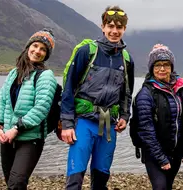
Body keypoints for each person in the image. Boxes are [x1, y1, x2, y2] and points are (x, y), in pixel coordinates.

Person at [60, 5, 134, 190]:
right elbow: (68, 88)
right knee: (75, 177)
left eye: (119, 27)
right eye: (110, 26)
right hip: (83, 121)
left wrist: (125, 116)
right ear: (103, 27)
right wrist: (67, 124)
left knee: (101, 177)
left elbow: (126, 92)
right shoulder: (87, 52)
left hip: (108, 122)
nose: (114, 31)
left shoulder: (126, 59)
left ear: (124, 29)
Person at [0, 29, 57, 189]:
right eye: (35, 45)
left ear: (46, 54)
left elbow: (41, 108)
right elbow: (2, 101)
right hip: (7, 137)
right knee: (11, 183)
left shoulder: (46, 76)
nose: (37, 51)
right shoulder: (14, 73)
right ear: (28, 46)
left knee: (17, 182)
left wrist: (16, 128)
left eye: (43, 49)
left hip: (31, 138)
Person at [134, 44, 183, 190]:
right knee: (160, 187)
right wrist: (161, 158)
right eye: (158, 65)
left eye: (166, 65)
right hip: (153, 153)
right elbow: (146, 130)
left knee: (168, 186)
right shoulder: (146, 94)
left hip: (176, 151)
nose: (162, 69)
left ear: (171, 67)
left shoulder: (180, 89)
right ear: (151, 68)